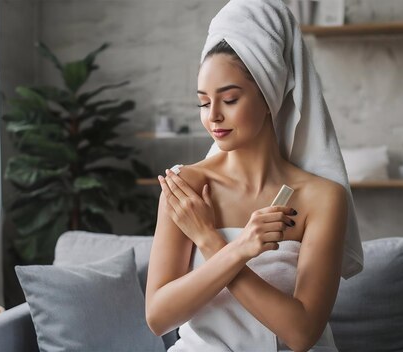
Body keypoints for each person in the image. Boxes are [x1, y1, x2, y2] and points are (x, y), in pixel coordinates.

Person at [145, 1, 364, 351]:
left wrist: (212, 242)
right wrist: (236, 250)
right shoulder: (185, 186)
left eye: (229, 99)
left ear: (268, 97)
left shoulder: (321, 198)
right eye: (204, 102)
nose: (213, 116)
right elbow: (158, 317)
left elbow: (302, 333)